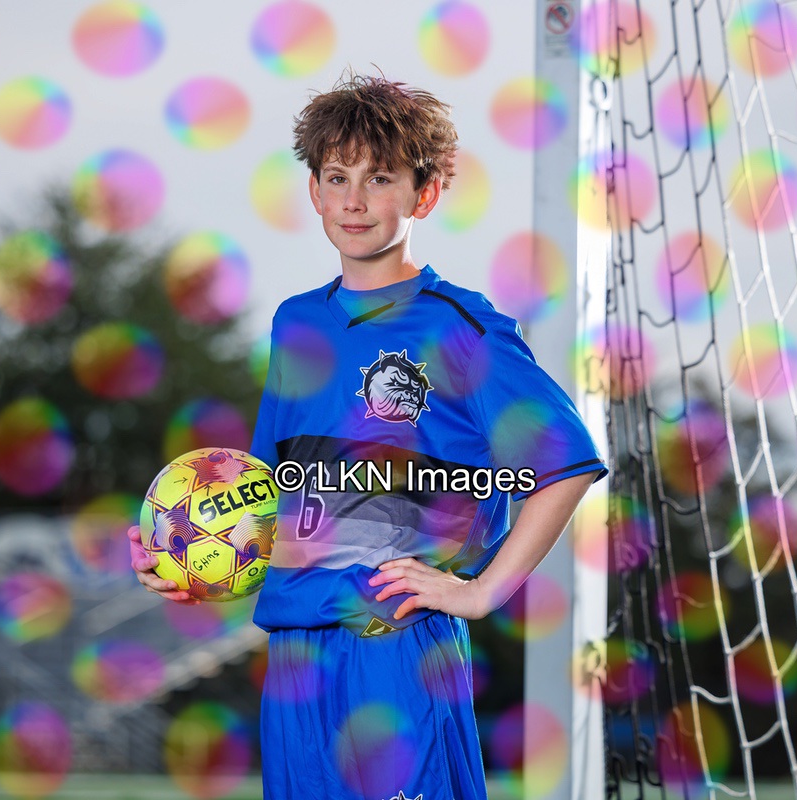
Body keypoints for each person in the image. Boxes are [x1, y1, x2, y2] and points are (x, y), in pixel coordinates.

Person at [130, 72, 607, 799]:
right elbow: (272, 500)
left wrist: (480, 592)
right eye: (337, 177)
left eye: (380, 178)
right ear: (315, 191)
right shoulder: (297, 322)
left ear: (425, 194)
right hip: (295, 660)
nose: (354, 200)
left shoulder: (460, 327)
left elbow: (565, 464)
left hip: (395, 650)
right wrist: (195, 557)